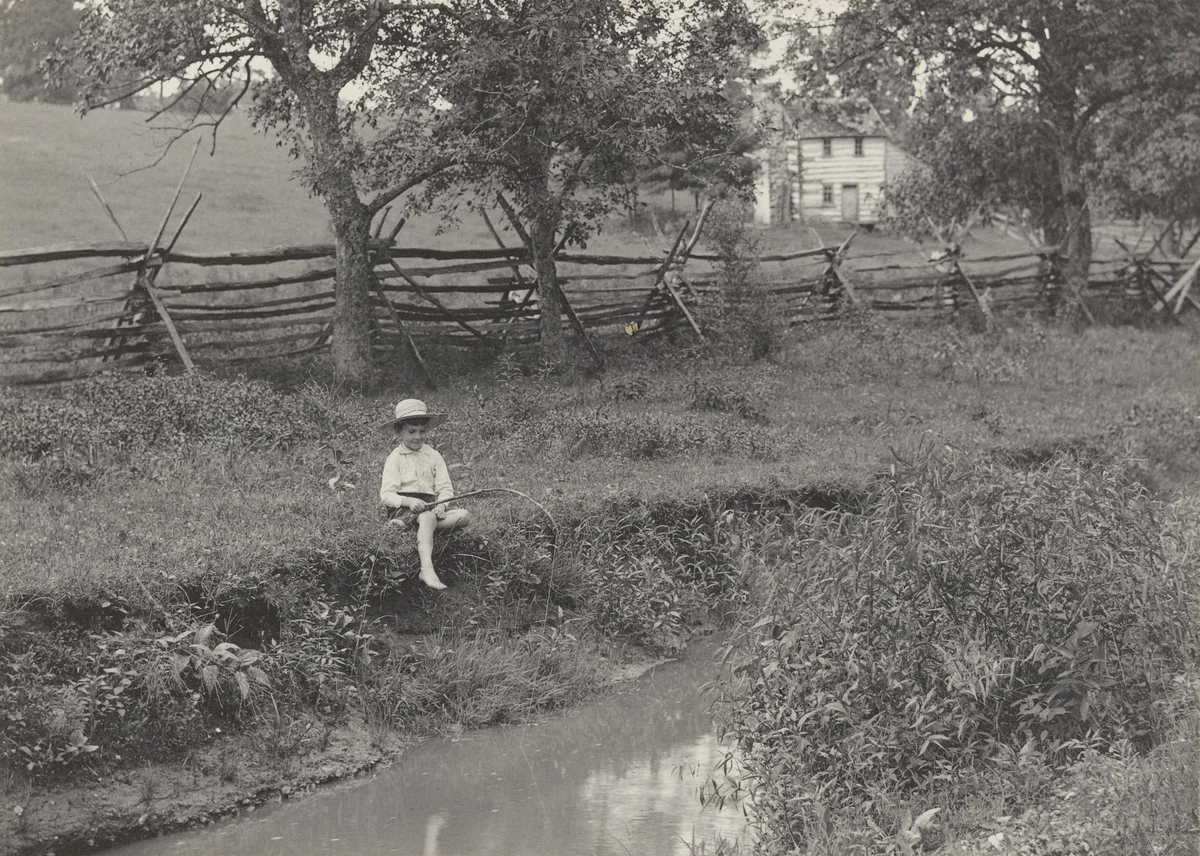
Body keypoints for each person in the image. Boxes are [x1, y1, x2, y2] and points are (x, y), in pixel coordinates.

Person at [379, 399, 470, 590]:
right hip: (404, 508)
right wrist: (408, 501)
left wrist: (441, 505)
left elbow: (445, 488)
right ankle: (426, 569)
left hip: (429, 507)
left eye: (422, 431)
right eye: (411, 431)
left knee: (464, 515)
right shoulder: (395, 458)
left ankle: (409, 527)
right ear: (400, 431)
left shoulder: (433, 456)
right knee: (427, 518)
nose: (417, 437)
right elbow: (387, 494)